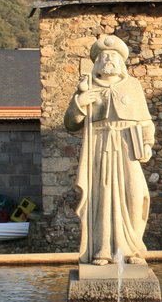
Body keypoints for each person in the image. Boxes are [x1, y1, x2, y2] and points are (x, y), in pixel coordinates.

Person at [64, 35, 155, 265]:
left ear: (121, 62)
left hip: (127, 146)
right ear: (97, 63)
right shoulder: (88, 87)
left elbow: (145, 121)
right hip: (100, 147)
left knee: (135, 195)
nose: (108, 59)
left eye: (113, 56)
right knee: (102, 198)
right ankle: (102, 249)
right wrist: (80, 101)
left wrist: (146, 144)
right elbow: (70, 124)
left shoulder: (132, 85)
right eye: (104, 57)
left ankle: (132, 249)